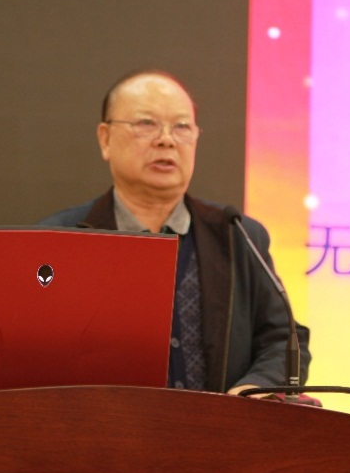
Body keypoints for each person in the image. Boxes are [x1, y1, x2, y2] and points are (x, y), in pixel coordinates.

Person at [39, 69, 310, 395]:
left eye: (181, 127)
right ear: (105, 139)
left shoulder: (237, 234)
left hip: (221, 426)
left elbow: (284, 339)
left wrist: (253, 390)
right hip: (104, 425)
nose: (166, 139)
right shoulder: (60, 241)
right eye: (146, 123)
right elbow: (35, 353)